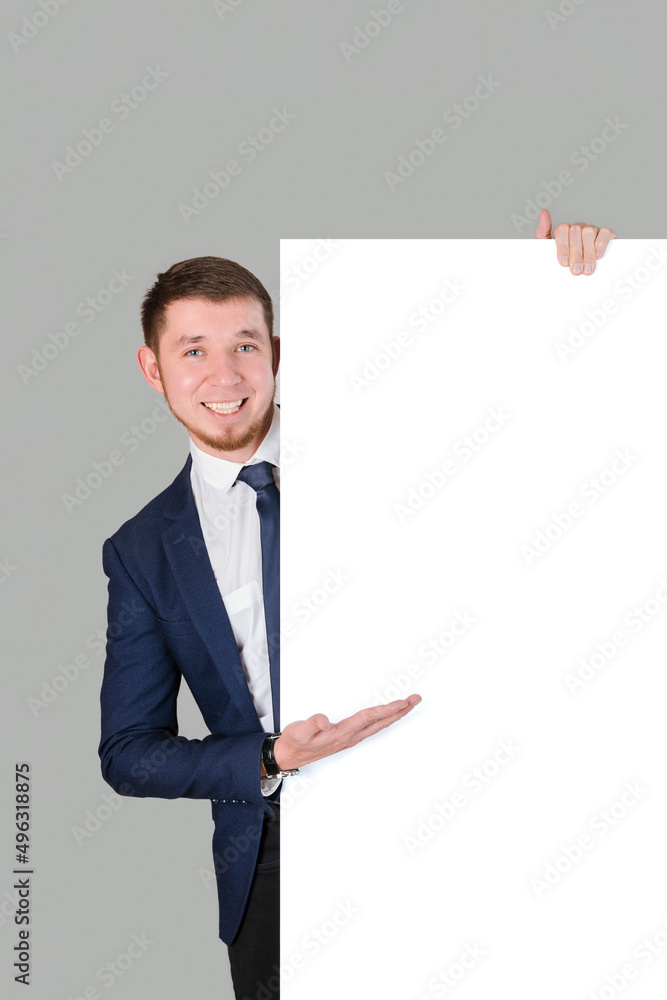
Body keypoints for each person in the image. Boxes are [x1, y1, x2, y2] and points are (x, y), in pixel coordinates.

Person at [98, 228, 615, 998]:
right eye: (193, 350)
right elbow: (128, 752)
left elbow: (530, 424)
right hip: (277, 870)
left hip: (467, 810)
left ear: (275, 350)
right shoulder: (141, 550)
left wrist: (547, 281)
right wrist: (270, 758)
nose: (223, 374)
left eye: (243, 345)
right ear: (153, 368)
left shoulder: (391, 441)